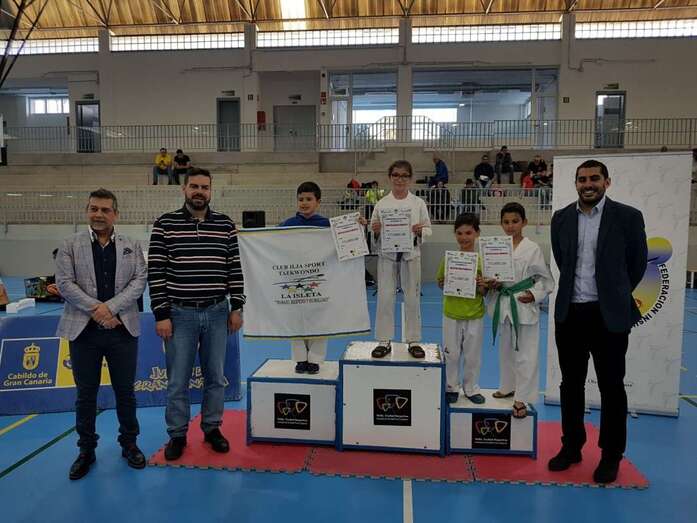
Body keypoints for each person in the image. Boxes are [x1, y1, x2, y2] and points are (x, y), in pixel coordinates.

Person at [549, 159, 647, 484]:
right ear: (576, 183)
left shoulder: (628, 217)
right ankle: (571, 446)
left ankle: (611, 455)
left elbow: (636, 264)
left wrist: (615, 294)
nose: (587, 184)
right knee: (570, 385)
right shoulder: (561, 218)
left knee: (612, 387)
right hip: (571, 314)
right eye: (582, 179)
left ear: (607, 181)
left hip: (609, 317)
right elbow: (563, 260)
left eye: (594, 178)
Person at [148, 167, 245, 461]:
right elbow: (156, 272)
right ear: (184, 189)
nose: (199, 191)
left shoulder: (225, 225)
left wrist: (237, 306)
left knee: (215, 376)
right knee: (177, 380)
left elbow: (234, 267)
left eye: (204, 187)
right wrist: (161, 314)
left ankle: (212, 428)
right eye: (194, 186)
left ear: (210, 190)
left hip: (217, 312)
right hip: (179, 314)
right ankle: (177, 434)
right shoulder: (165, 224)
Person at [55, 188, 147, 480]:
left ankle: (129, 444)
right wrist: (98, 310)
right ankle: (86, 450)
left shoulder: (132, 245)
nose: (98, 214)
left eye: (105, 210)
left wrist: (110, 308)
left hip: (122, 330)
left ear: (115, 214)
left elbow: (139, 281)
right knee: (86, 395)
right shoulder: (69, 245)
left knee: (125, 392)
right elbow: (65, 284)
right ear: (87, 211)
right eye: (94, 208)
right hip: (84, 333)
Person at [485, 202, 553, 418]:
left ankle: (522, 397)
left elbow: (544, 279)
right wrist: (492, 284)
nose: (510, 226)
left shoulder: (532, 248)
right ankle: (507, 386)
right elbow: (491, 275)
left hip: (523, 303)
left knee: (526, 354)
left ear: (524, 222)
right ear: (501, 224)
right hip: (503, 303)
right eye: (506, 222)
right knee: (505, 351)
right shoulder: (496, 247)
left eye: (515, 221)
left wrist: (534, 294)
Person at [370, 160, 432, 359]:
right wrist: (376, 231)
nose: (400, 179)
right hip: (387, 256)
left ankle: (413, 340)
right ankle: (384, 340)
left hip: (410, 255)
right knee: (385, 297)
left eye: (404, 175)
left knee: (412, 297)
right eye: (396, 175)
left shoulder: (418, 203)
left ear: (410, 179)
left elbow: (428, 229)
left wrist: (421, 231)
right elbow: (373, 231)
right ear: (390, 177)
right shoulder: (381, 204)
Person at [279, 182, 331, 375]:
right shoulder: (287, 225)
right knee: (296, 318)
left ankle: (315, 359)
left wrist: (357, 225)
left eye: (309, 199)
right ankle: (300, 359)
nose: (304, 203)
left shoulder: (327, 225)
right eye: (301, 199)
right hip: (295, 279)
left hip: (320, 278)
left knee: (320, 318)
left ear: (318, 202)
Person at [437, 213, 487, 404]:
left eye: (468, 233)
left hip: (474, 315)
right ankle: (451, 387)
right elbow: (440, 283)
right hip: (451, 313)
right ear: (455, 234)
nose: (464, 237)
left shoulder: (482, 261)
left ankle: (471, 388)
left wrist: (481, 285)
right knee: (451, 354)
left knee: (472, 356)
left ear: (477, 233)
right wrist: (444, 282)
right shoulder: (449, 259)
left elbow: (484, 291)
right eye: (459, 233)